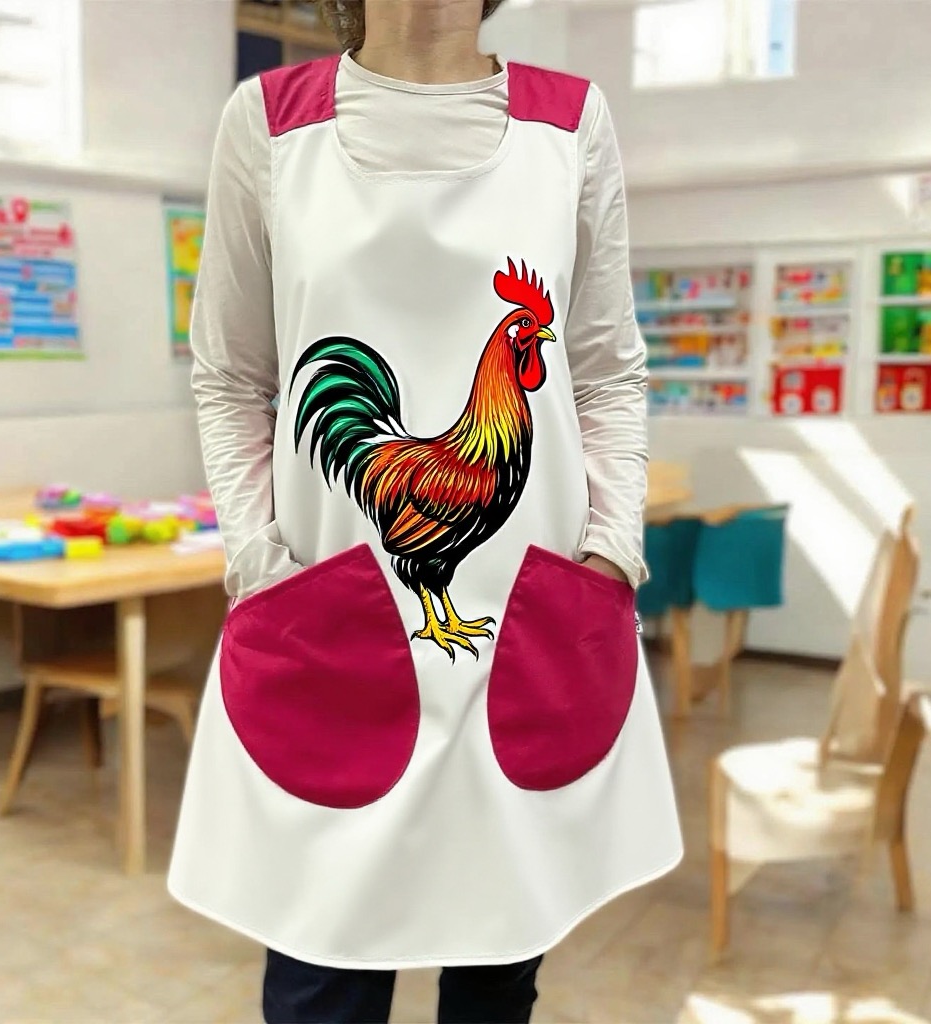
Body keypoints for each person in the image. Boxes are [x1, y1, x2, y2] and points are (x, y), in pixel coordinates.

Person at [168, 0, 683, 1020]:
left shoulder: (569, 121)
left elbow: (606, 370)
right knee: (321, 978)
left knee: (496, 977)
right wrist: (263, 569)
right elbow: (231, 376)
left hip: (527, 622)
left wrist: (609, 553)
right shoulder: (268, 121)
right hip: (329, 616)